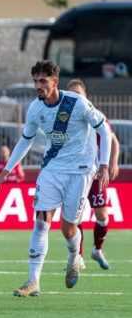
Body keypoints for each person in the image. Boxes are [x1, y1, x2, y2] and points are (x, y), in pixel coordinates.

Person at [0, 61, 112, 297]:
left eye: (43, 81)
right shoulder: (35, 108)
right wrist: (6, 171)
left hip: (80, 170)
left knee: (68, 229)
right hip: (52, 170)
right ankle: (33, 282)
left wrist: (105, 165)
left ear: (54, 82)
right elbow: (25, 140)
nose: (38, 85)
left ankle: (74, 256)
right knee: (40, 222)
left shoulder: (77, 103)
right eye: (35, 81)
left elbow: (103, 130)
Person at [66, 79, 120, 270]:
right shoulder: (65, 119)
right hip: (76, 175)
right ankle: (77, 257)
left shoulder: (96, 115)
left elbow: (113, 140)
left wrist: (112, 162)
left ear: (85, 96)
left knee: (102, 216)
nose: (75, 98)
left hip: (96, 175)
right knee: (75, 218)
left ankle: (97, 249)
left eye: (78, 94)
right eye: (71, 95)